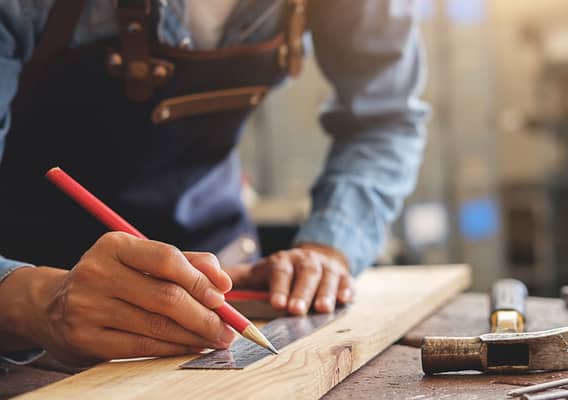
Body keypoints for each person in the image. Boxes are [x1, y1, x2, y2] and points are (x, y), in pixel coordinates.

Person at [0, 0, 427, 366]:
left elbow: (385, 119)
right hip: (27, 327)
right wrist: (37, 301)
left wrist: (328, 250)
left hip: (221, 284)